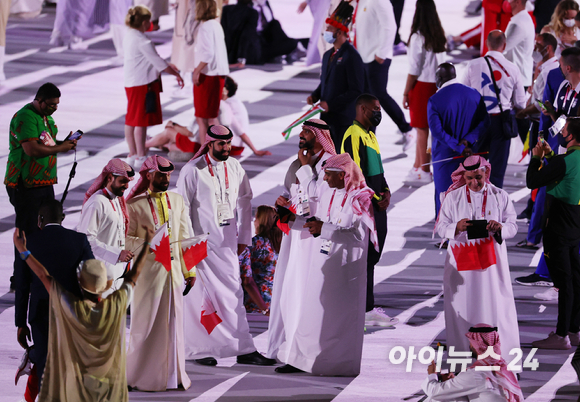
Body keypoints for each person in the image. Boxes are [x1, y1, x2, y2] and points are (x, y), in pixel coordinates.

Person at [13, 224, 153, 402]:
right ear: (104, 286)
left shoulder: (71, 308)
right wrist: (147, 243)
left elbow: (43, 275)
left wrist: (23, 251)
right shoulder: (116, 305)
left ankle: (34, 356)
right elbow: (134, 275)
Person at [177, 125, 274, 366]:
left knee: (233, 295)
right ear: (209, 143)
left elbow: (245, 200)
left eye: (229, 143)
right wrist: (188, 246)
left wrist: (244, 238)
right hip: (201, 246)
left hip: (229, 245)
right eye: (221, 144)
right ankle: (200, 350)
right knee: (201, 298)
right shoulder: (192, 170)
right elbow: (182, 210)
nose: (227, 148)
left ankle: (243, 347)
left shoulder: (235, 166)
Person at [274, 153, 375, 375]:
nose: (326, 179)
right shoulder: (327, 191)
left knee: (337, 320)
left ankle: (335, 365)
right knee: (311, 314)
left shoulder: (361, 199)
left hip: (345, 270)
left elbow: (357, 237)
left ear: (344, 175)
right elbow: (315, 223)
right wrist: (290, 220)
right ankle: (301, 361)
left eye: (329, 175)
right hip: (321, 264)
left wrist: (324, 229)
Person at [435, 155, 520, 359]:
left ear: (486, 173)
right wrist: (457, 227)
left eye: (479, 177)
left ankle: (502, 357)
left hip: (492, 266)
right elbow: (440, 228)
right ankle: (463, 356)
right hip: (461, 264)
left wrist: (500, 227)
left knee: (497, 306)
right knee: (461, 308)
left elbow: (513, 225)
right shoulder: (452, 197)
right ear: (463, 176)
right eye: (470, 178)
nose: (475, 182)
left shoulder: (500, 195)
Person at [267, 118, 336, 360]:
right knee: (287, 291)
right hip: (294, 234)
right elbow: (295, 194)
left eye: (307, 131)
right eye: (303, 131)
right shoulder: (299, 162)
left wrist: (306, 167)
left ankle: (301, 352)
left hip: (315, 238)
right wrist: (282, 201)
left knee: (304, 293)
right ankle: (280, 347)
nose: (302, 134)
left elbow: (319, 196)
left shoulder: (331, 164)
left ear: (320, 137)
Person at [14, 199, 94, 400]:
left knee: (45, 361)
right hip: (72, 310)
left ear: (39, 220)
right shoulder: (79, 240)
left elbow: (22, 286)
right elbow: (92, 276)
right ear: (63, 218)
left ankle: (35, 359)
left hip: (41, 311)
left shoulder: (27, 243)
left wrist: (20, 323)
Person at [124, 155, 192, 391]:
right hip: (148, 273)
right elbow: (125, 240)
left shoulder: (177, 200)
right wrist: (149, 242)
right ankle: (135, 376)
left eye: (169, 175)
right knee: (145, 324)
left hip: (173, 273)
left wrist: (189, 270)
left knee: (174, 325)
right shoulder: (133, 205)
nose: (166, 179)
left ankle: (173, 377)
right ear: (149, 175)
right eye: (161, 175)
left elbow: (184, 237)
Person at [5, 82, 77, 292]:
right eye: (51, 104)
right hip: (25, 183)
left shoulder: (47, 118)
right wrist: (61, 148)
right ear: (40, 100)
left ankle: (35, 272)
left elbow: (48, 144)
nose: (55, 108)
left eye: (57, 105)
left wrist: (64, 143)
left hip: (43, 181)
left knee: (43, 230)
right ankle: (19, 277)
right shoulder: (25, 117)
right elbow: (32, 150)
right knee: (26, 232)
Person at [341, 94, 395, 327]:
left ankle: (367, 307)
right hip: (365, 206)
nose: (378, 113)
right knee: (365, 257)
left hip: (376, 203)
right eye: (375, 109)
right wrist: (374, 198)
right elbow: (356, 173)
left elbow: (377, 172)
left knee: (372, 255)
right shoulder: (353, 134)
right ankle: (363, 309)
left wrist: (386, 191)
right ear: (362, 109)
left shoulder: (370, 134)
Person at [527, 117, 580, 350]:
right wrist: (550, 157)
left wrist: (537, 157)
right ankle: (574, 330)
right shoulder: (567, 160)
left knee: (565, 282)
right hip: (576, 220)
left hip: (558, 222)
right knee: (576, 278)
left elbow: (532, 181)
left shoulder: (563, 161)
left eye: (564, 130)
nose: (560, 132)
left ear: (569, 136)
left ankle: (560, 336)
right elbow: (565, 171)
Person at [462, 30, 526, 188]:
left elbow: (463, 95)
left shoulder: (473, 65)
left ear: (486, 43)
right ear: (504, 45)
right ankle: (494, 206)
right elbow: (521, 103)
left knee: (475, 167)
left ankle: (474, 205)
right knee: (497, 171)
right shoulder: (513, 68)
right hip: (501, 123)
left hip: (478, 123)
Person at [124, 5, 184, 169]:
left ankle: (132, 154)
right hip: (142, 84)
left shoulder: (129, 35)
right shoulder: (144, 41)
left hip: (130, 81)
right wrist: (176, 74)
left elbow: (151, 60)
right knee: (140, 122)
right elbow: (159, 63)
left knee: (131, 120)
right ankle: (141, 156)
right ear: (144, 22)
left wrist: (166, 64)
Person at [428, 63, 490, 216]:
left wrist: (458, 146)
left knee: (445, 197)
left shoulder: (435, 100)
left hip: (445, 157)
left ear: (439, 78)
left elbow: (438, 132)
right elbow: (485, 122)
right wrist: (468, 140)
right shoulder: (474, 94)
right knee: (469, 196)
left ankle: (447, 237)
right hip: (470, 155)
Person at [352, 0, 414, 145]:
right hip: (364, 56)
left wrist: (381, 53)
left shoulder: (380, 1)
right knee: (368, 98)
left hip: (378, 57)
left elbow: (390, 27)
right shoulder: (361, 2)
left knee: (379, 95)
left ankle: (406, 129)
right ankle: (369, 136)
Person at [307, 0, 364, 151]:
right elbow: (325, 82)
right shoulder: (327, 55)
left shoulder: (352, 56)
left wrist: (330, 104)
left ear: (339, 32)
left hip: (344, 121)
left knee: (341, 159)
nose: (326, 32)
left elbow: (356, 90)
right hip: (327, 119)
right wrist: (315, 95)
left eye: (329, 29)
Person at [402, 0, 446, 182]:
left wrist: (405, 92)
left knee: (421, 130)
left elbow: (414, 69)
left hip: (421, 86)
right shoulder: (439, 35)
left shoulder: (417, 37)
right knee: (429, 130)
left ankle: (425, 170)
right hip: (437, 86)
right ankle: (417, 165)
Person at [77, 159, 135, 295]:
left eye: (128, 182)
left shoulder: (116, 200)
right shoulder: (97, 203)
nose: (126, 186)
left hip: (116, 273)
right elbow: (85, 240)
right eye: (123, 181)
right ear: (109, 178)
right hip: (100, 274)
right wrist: (117, 254)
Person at [422, 325, 524, 401]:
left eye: (471, 343)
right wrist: (455, 380)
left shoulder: (476, 374)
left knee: (440, 398)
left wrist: (432, 374)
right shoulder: (504, 367)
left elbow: (434, 392)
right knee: (452, 392)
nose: (470, 346)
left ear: (477, 346)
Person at [192, 0, 229, 144]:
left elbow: (208, 55)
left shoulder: (205, 27)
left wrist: (197, 71)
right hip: (217, 75)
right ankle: (217, 149)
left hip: (208, 75)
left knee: (203, 118)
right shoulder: (216, 25)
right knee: (211, 116)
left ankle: (206, 153)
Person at [239, 205, 281, 313]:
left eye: (256, 218)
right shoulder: (280, 244)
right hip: (275, 302)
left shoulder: (255, 244)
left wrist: (264, 309)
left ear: (262, 220)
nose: (254, 222)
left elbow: (247, 280)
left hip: (255, 303)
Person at [504, 0, 535, 88]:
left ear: (518, 2)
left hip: (517, 79)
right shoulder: (523, 19)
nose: (507, 2)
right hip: (519, 77)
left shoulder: (518, 23)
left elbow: (502, 47)